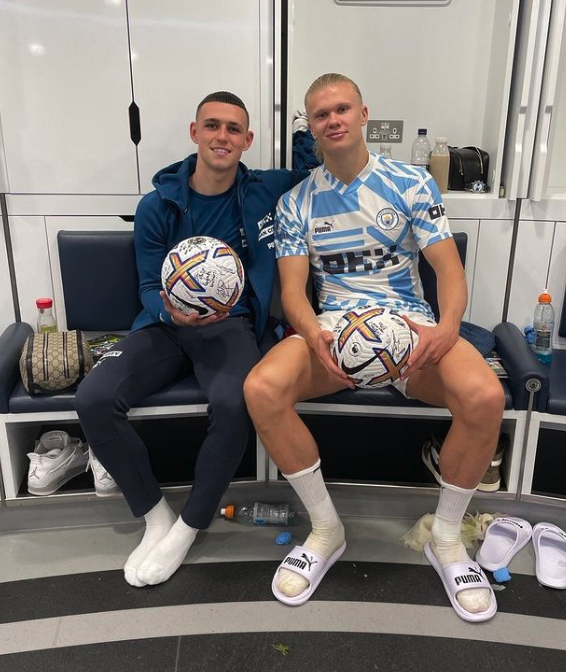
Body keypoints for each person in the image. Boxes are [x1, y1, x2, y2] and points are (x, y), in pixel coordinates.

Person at [243, 73, 505, 622]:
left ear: (363, 114)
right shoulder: (296, 202)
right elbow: (293, 292)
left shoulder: (411, 184)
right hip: (336, 338)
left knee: (485, 397)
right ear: (310, 127)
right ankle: (325, 529)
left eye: (342, 109)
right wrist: (312, 332)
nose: (332, 120)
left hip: (410, 335)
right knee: (261, 388)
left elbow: (449, 272)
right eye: (320, 114)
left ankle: (448, 539)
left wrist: (448, 326)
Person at [75, 91, 307, 588]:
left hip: (231, 329)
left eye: (233, 129)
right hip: (164, 326)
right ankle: (154, 514)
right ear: (194, 132)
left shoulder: (266, 190)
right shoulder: (158, 204)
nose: (222, 136)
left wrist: (305, 131)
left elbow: (316, 174)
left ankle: (190, 524)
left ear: (247, 140)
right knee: (93, 397)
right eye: (212, 126)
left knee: (234, 403)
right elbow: (145, 286)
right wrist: (171, 309)